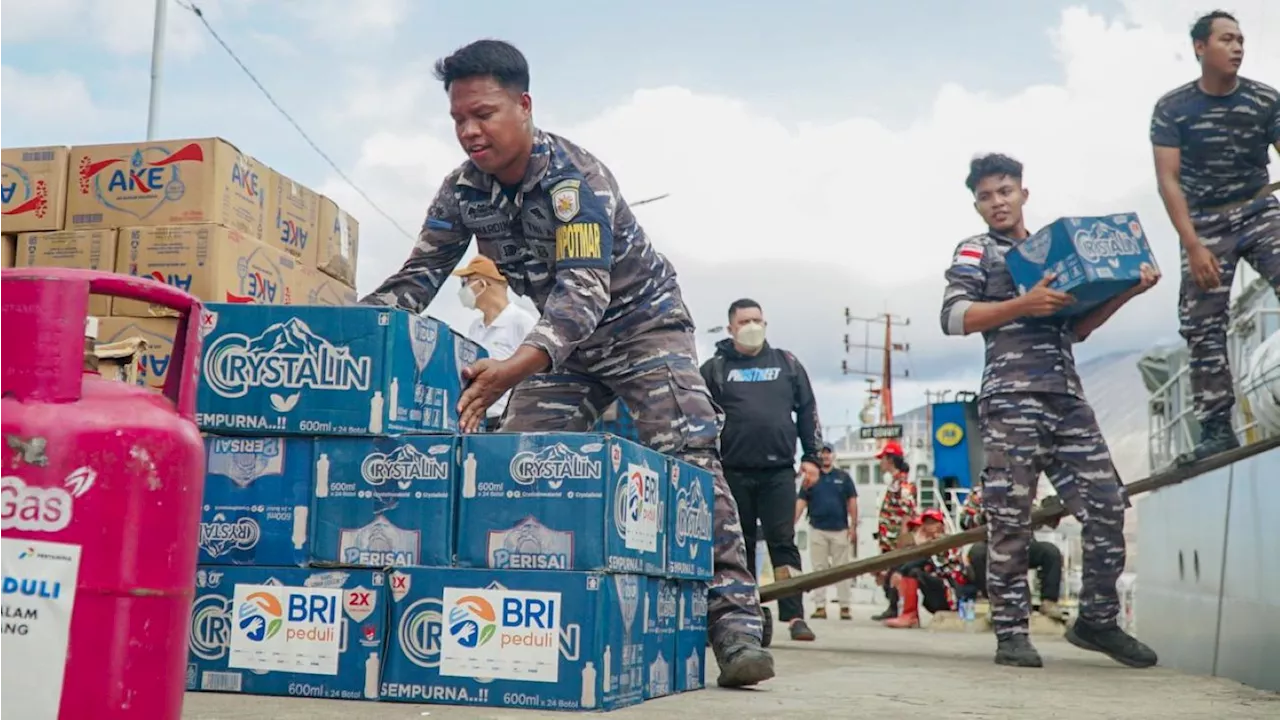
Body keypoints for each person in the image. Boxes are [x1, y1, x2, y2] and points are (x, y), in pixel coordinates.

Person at [358, 39, 773, 688]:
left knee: (688, 452)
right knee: (520, 456)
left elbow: (585, 293)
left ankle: (736, 627)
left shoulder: (574, 180)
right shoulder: (462, 191)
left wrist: (510, 368)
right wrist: (355, 327)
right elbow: (418, 277)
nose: (470, 130)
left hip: (641, 328)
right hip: (564, 349)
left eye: (484, 113)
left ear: (524, 106)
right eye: (458, 119)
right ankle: (526, 615)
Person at [939, 152, 1160, 669]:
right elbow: (952, 317)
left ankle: (1097, 621)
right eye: (987, 196)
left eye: (1005, 191)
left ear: (1023, 194)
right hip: (1011, 398)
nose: (998, 202)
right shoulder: (977, 251)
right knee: (1010, 520)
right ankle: (1012, 634)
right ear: (977, 204)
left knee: (1107, 505)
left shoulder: (1052, 253)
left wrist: (1129, 288)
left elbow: (1077, 328)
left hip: (1066, 399)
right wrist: (1022, 305)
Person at [1151, 10, 1280, 464]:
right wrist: (1193, 245)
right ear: (1200, 48)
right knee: (1202, 324)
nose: (1238, 47)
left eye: (1242, 39)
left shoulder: (1266, 100)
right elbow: (1168, 180)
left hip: (1260, 208)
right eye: (1227, 39)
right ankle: (1215, 429)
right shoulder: (1173, 109)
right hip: (1204, 223)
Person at [701, 298, 823, 642]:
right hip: (730, 473)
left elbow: (808, 410)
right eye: (744, 321)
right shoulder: (714, 368)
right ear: (731, 328)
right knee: (738, 546)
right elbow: (699, 417)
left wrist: (812, 456)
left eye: (757, 319)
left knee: (783, 544)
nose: (752, 326)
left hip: (779, 472)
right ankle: (743, 615)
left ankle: (794, 614)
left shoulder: (787, 363)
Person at [452, 255, 538, 430]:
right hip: (477, 419)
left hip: (507, 422)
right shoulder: (475, 327)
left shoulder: (521, 322)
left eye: (466, 282)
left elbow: (534, 373)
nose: (463, 290)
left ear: (482, 284)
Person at [959, 486, 1064, 622]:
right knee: (977, 553)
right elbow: (964, 521)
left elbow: (1041, 523)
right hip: (992, 544)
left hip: (1023, 544)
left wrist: (1050, 511)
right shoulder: (979, 493)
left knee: (1051, 552)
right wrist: (985, 517)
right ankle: (996, 603)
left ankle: (1049, 602)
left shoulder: (1024, 491)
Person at [795, 443, 857, 620]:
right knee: (819, 569)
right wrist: (791, 524)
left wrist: (853, 526)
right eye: (823, 454)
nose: (826, 457)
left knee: (843, 570)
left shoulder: (844, 478)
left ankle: (845, 606)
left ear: (834, 456)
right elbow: (801, 502)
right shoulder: (811, 478)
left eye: (829, 453)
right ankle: (820, 606)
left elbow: (852, 502)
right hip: (817, 529)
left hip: (840, 529)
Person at [883, 509, 967, 629]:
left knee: (913, 572)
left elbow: (925, 559)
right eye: (926, 523)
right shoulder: (930, 543)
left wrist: (900, 573)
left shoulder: (946, 541)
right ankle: (908, 614)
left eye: (933, 522)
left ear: (941, 524)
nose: (929, 526)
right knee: (910, 570)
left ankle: (909, 615)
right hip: (938, 592)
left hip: (952, 593)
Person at [870, 440, 917, 621]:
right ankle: (892, 606)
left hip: (896, 539)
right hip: (888, 538)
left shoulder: (903, 485)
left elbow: (907, 512)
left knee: (893, 572)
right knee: (887, 572)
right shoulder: (896, 483)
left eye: (882, 459)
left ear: (890, 459)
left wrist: (902, 539)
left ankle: (895, 607)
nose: (880, 463)